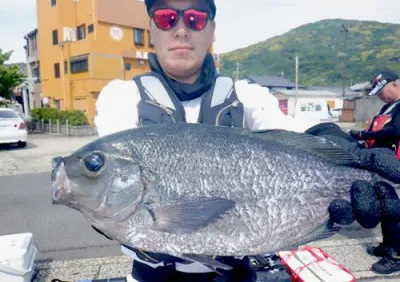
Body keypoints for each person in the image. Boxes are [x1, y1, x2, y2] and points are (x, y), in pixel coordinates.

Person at [94, 0, 314, 281]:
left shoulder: (247, 96)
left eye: (196, 19)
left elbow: (293, 132)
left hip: (234, 272)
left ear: (211, 30)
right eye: (166, 18)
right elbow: (111, 179)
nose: (182, 29)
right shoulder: (122, 97)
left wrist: (335, 140)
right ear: (151, 28)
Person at [349, 70, 400, 160]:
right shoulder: (386, 107)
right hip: (378, 156)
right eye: (378, 93)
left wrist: (363, 135)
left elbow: (396, 130)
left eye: (381, 91)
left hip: (394, 162)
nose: (380, 96)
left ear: (394, 84)